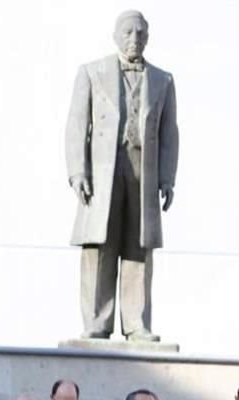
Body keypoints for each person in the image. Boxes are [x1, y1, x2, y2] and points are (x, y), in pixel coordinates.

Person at [65, 9, 179, 342]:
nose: (134, 39)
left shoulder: (163, 80)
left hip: (142, 171)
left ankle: (136, 323)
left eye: (141, 33)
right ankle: (97, 322)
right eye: (128, 33)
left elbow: (170, 132)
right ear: (116, 36)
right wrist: (77, 172)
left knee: (137, 248)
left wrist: (168, 178)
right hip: (102, 172)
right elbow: (76, 127)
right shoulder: (91, 72)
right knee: (99, 246)